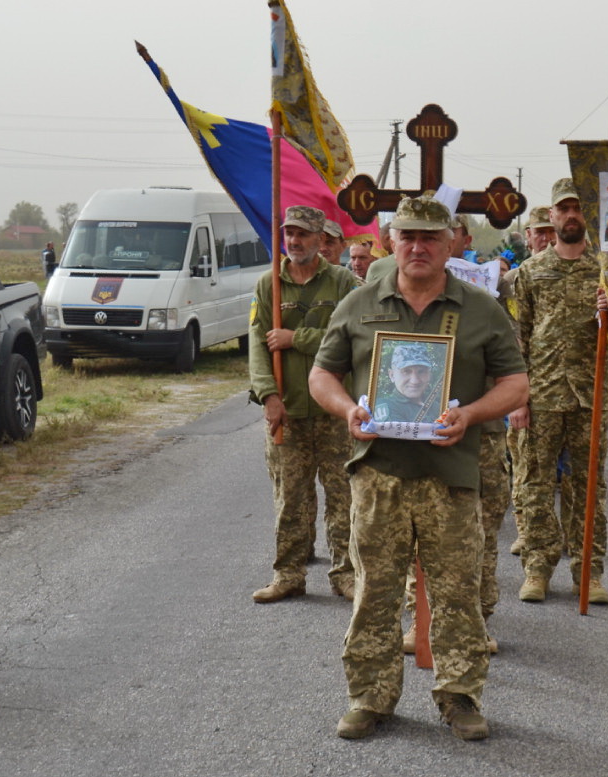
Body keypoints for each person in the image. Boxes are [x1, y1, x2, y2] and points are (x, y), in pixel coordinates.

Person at [308, 194, 528, 741]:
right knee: (374, 594)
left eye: (430, 237)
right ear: (391, 241)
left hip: (451, 478)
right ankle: (369, 697)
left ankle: (460, 698)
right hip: (377, 477)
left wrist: (471, 414)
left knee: (457, 595)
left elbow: (517, 383)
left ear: (451, 242)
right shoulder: (359, 305)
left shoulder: (480, 308)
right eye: (407, 236)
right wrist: (347, 410)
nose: (418, 246)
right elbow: (321, 375)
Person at [511, 178, 608, 606]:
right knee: (535, 483)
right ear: (551, 218)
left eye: (578, 209)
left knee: (587, 485)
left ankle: (588, 573)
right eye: (563, 209)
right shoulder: (530, 273)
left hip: (590, 398)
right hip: (542, 395)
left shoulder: (605, 272)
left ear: (587, 216)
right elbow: (517, 341)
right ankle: (537, 568)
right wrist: (518, 397)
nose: (571, 215)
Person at [249, 205, 359, 604]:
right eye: (288, 234)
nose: (293, 242)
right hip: (289, 410)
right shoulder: (268, 284)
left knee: (343, 497)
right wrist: (268, 395)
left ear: (320, 240)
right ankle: (289, 574)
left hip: (334, 410)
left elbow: (349, 337)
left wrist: (298, 338)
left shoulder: (345, 283)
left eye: (302, 235)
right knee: (291, 499)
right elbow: (258, 345)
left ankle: (345, 574)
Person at [506, 205, 555, 556]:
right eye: (538, 232)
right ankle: (525, 530)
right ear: (528, 237)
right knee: (524, 466)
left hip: (559, 389)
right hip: (519, 382)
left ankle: (553, 532)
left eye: (548, 230)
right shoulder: (512, 279)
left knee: (558, 472)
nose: (545, 238)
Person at [374, 343, 438, 423]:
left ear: (429, 375)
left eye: (421, 371)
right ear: (392, 375)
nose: (415, 381)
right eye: (406, 371)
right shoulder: (385, 407)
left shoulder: (437, 404)